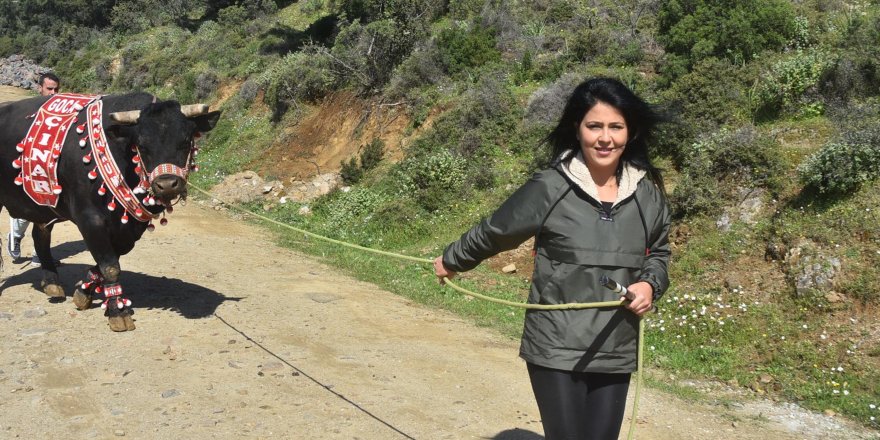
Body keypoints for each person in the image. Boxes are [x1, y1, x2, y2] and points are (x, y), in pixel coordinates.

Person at [433, 77, 671, 440]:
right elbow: (499, 229)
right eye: (594, 126)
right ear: (577, 130)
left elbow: (658, 254)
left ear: (630, 132)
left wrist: (649, 284)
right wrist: (454, 259)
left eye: (615, 127)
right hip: (555, 346)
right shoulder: (551, 186)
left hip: (615, 346)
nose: (604, 138)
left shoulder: (648, 196)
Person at [7, 72, 62, 266]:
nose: (53, 92)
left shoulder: (59, 111)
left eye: (56, 89)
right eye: (49, 89)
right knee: (26, 211)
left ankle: (40, 255)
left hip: (47, 168)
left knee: (48, 213)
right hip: (26, 166)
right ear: (40, 88)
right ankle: (15, 235)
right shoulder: (28, 111)